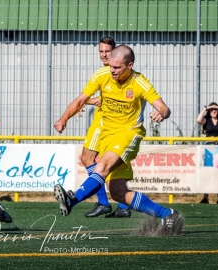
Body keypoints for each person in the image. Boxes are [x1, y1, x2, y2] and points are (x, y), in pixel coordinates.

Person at [53, 45, 183, 235]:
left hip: (128, 134)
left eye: (117, 67)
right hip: (106, 133)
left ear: (130, 65)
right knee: (118, 192)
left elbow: (164, 108)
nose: (112, 70)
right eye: (111, 66)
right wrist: (63, 118)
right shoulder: (102, 75)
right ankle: (168, 214)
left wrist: (161, 113)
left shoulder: (140, 82)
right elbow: (81, 99)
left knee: (101, 166)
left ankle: (72, 199)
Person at [80, 37, 132, 218]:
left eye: (107, 52)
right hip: (109, 121)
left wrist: (89, 101)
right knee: (107, 162)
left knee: (88, 158)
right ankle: (122, 205)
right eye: (101, 52)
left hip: (105, 122)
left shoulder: (114, 73)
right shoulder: (107, 72)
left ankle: (103, 202)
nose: (103, 55)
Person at [196, 102, 218, 204]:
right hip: (209, 149)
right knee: (208, 173)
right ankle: (205, 197)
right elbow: (198, 119)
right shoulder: (207, 120)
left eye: (216, 109)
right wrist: (206, 108)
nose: (214, 111)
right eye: (212, 109)